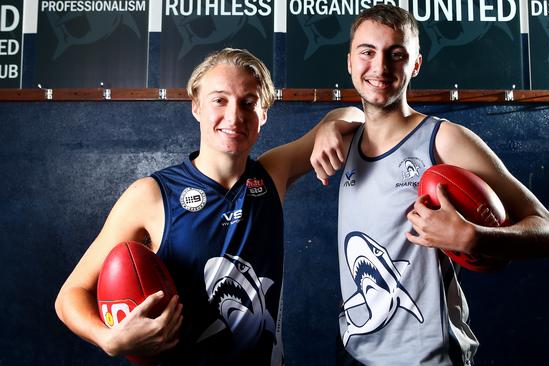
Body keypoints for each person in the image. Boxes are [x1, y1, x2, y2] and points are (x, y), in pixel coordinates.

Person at [54, 48, 363, 365]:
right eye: (220, 100)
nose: (234, 116)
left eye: (248, 103)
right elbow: (70, 295)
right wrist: (109, 339)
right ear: (196, 107)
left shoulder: (272, 174)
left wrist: (329, 126)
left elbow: (355, 115)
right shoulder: (150, 195)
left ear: (264, 114)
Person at [310, 5, 549, 366]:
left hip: (428, 357)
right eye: (367, 52)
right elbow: (349, 115)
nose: (380, 66)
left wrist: (475, 237)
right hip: (354, 352)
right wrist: (330, 118)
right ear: (350, 62)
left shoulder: (443, 141)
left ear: (415, 64)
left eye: (396, 54)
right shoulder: (343, 140)